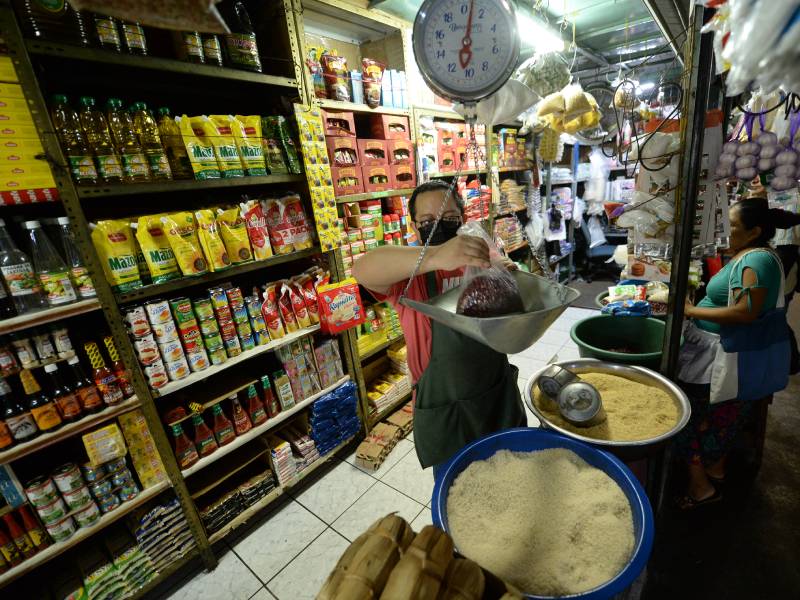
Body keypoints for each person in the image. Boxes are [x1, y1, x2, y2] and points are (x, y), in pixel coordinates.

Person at [353, 180, 525, 476]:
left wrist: (508, 278)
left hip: (495, 395)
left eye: (449, 218)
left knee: (512, 479)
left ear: (463, 218)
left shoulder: (480, 256)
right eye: (427, 221)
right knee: (456, 486)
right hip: (445, 410)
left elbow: (510, 299)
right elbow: (361, 269)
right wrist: (434, 256)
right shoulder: (409, 275)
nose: (439, 226)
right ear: (414, 226)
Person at [676, 194, 800, 509]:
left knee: (684, 417)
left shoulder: (756, 260)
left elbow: (746, 312)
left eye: (730, 225)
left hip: (724, 355)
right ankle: (715, 469)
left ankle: (701, 487)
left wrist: (690, 310)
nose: (723, 229)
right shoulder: (751, 255)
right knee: (720, 417)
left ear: (754, 231)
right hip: (725, 353)